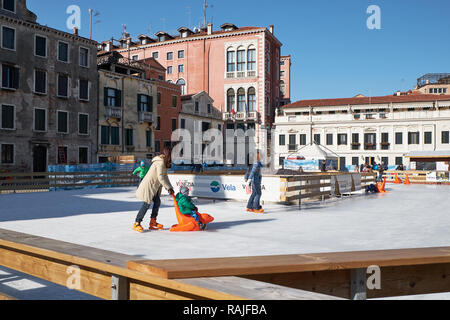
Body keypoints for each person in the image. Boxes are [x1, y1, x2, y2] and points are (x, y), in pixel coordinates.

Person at [133, 148, 175, 233]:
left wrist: (170, 187)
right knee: (146, 204)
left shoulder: (163, 162)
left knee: (157, 202)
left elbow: (165, 177)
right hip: (149, 186)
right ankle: (137, 223)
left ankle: (153, 222)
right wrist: (168, 187)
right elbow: (160, 177)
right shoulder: (159, 162)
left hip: (154, 187)